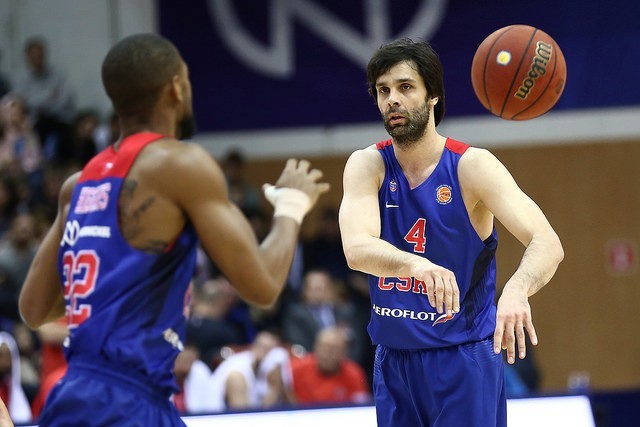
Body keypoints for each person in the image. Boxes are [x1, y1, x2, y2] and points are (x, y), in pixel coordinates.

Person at [18, 33, 329, 427]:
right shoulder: (181, 165)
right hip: (128, 402)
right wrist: (291, 206)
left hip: (74, 393)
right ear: (176, 87)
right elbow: (263, 286)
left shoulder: (76, 186)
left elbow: (34, 309)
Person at [338, 38, 564, 427]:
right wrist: (416, 265)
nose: (393, 100)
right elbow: (356, 249)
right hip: (393, 360)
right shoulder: (367, 164)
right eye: (383, 90)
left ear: (433, 96)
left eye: (405, 87)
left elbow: (547, 242)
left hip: (462, 358)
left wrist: (516, 289)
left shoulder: (472, 166)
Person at [289, 327, 371, 406]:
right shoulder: (295, 370)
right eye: (325, 349)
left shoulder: (354, 374)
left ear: (345, 353)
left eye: (335, 350)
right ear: (316, 348)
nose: (329, 355)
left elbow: (360, 407)